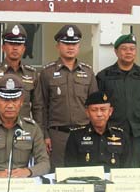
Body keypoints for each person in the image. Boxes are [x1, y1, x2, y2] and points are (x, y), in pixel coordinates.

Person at [96, 34, 140, 167]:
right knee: (111, 169)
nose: (128, 52)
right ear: (116, 51)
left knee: (135, 172)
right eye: (124, 48)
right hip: (112, 131)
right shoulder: (104, 76)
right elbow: (97, 107)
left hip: (138, 132)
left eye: (132, 49)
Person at [39, 25, 97, 169]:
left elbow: (95, 107)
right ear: (58, 46)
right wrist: (44, 135)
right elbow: (41, 107)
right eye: (66, 43)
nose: (70, 47)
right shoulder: (47, 72)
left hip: (83, 133)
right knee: (57, 176)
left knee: (85, 174)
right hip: (57, 136)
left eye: (74, 44)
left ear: (78, 46)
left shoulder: (88, 72)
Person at [0, 24, 43, 123]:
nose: (15, 48)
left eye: (18, 44)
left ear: (24, 49)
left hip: (25, 131)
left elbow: (38, 108)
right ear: (3, 47)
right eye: (11, 43)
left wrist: (39, 134)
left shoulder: (32, 74)